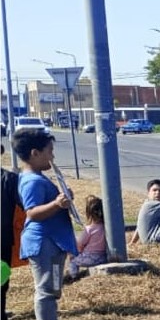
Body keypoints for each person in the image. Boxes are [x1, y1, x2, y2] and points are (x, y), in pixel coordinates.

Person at [14, 129, 77, 320]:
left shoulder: (37, 177)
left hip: (53, 243)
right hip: (44, 243)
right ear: (35, 153)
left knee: (53, 288)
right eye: (49, 151)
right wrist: (57, 204)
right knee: (46, 291)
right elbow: (32, 212)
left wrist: (62, 199)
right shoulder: (32, 181)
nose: (53, 156)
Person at [2, 144, 27, 320]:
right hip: (2, 238)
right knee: (1, 278)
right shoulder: (9, 179)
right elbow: (25, 204)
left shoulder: (10, 179)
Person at [67, 195, 107, 278]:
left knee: (73, 260)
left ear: (90, 214)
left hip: (90, 258)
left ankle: (73, 276)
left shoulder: (89, 229)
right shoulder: (106, 227)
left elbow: (80, 244)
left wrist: (78, 250)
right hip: (103, 257)